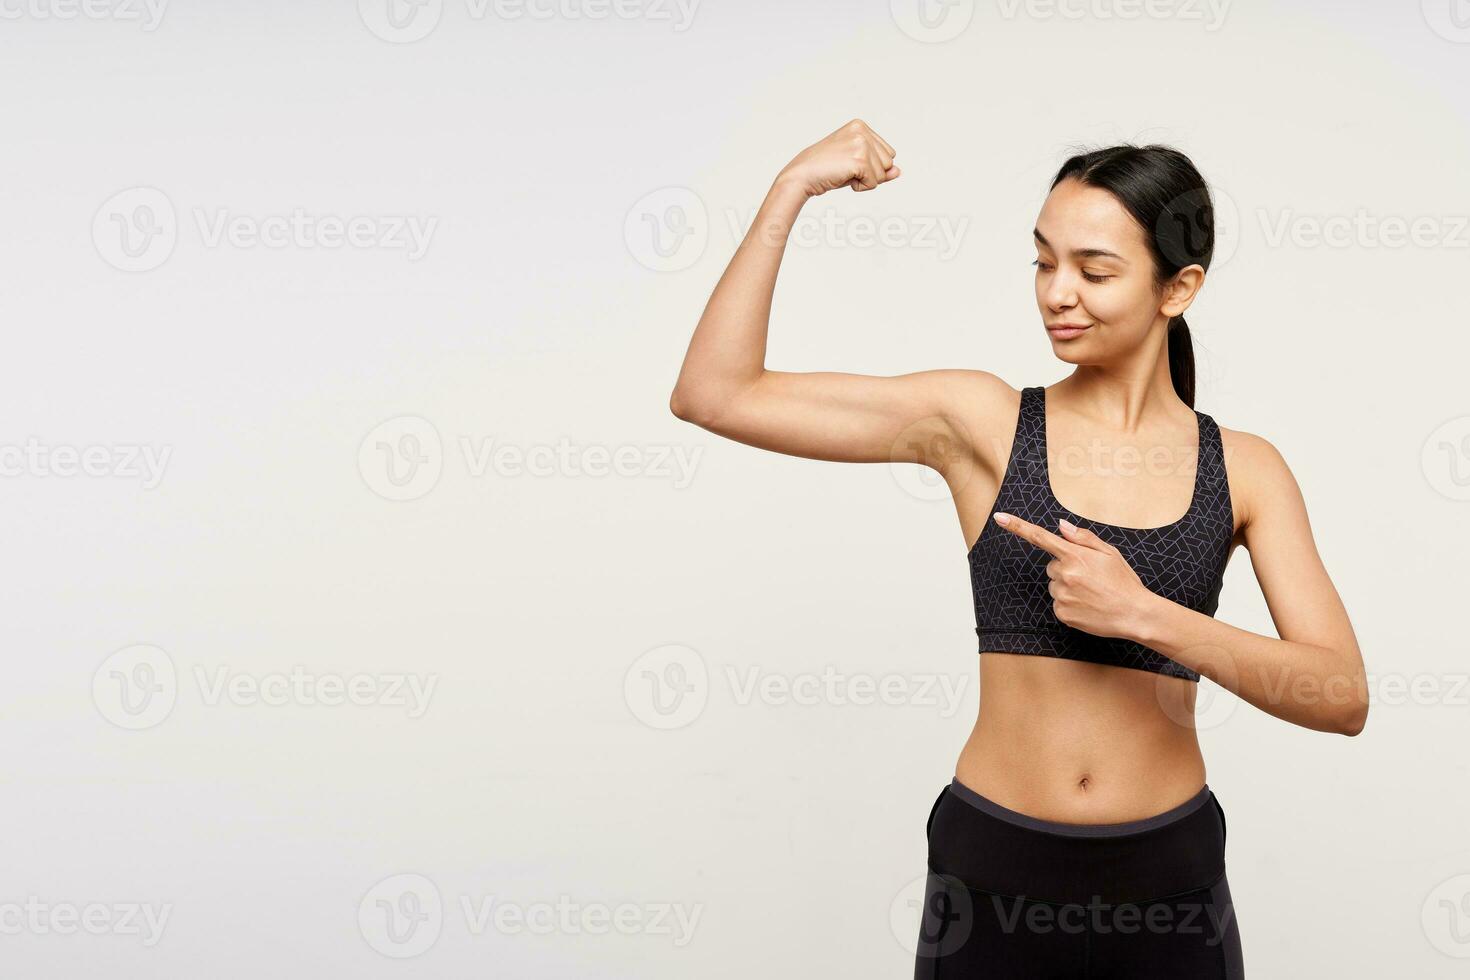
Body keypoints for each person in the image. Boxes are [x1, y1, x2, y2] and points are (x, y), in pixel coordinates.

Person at [668, 119, 1368, 978]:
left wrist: (1144, 615)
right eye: (1043, 262)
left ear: (1177, 288)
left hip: (1168, 882)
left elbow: (1340, 694)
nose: (1057, 293)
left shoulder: (1246, 470)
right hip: (993, 870)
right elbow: (713, 392)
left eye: (1094, 270)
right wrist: (791, 187)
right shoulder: (984, 423)